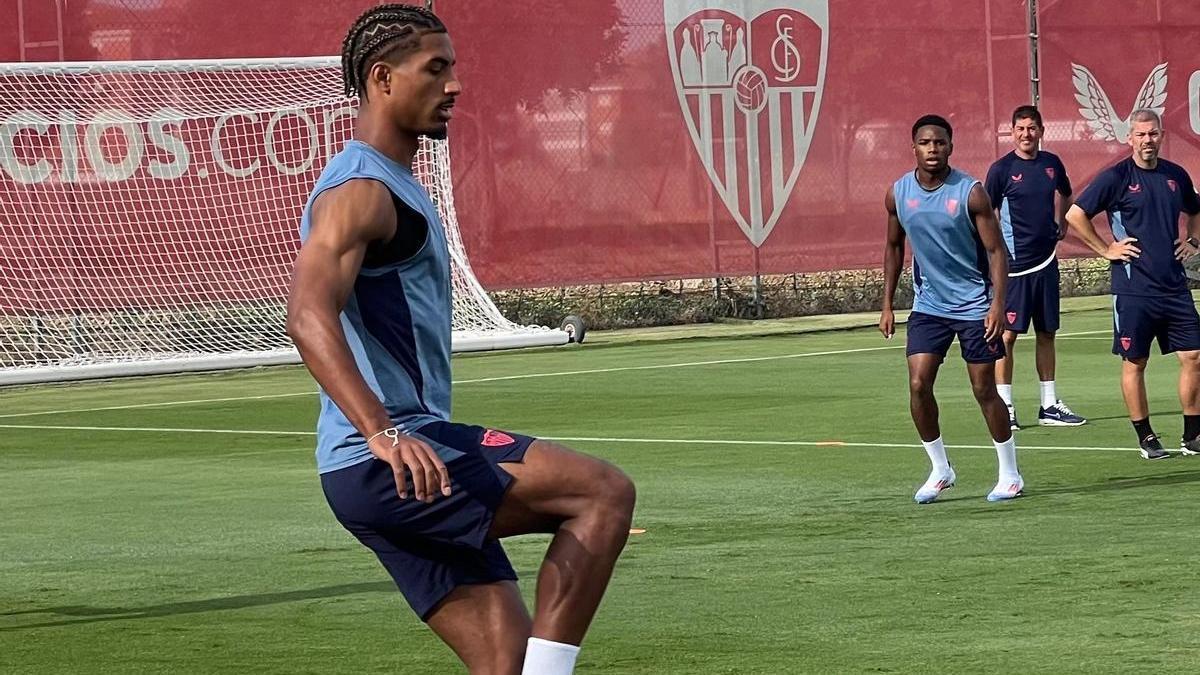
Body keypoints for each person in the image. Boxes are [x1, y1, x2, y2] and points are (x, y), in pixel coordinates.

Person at [285, 6, 636, 673]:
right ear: (383, 79)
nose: (455, 86)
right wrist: (382, 432)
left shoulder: (392, 182)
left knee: (504, 655)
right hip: (387, 458)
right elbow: (306, 316)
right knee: (602, 493)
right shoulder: (360, 190)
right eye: (436, 69)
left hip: (377, 466)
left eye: (455, 69)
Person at [880, 114, 1024, 504]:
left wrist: (997, 305)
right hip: (929, 307)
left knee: (983, 389)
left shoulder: (971, 193)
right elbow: (894, 247)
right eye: (925, 143)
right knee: (917, 384)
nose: (933, 149)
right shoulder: (898, 194)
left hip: (976, 306)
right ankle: (940, 469)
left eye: (940, 143)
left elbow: (997, 251)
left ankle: (1010, 474)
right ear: (914, 147)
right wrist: (888, 303)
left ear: (950, 147)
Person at [1065, 109, 1200, 460]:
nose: (1147, 141)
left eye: (1153, 134)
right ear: (1130, 138)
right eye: (1140, 135)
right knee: (1135, 361)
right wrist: (1105, 249)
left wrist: (1194, 241)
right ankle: (1147, 437)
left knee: (1194, 356)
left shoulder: (1175, 175)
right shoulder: (1116, 177)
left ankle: (1192, 435)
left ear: (1161, 135)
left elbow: (1196, 210)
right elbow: (1075, 215)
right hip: (1133, 289)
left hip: (1174, 286)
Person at [985, 105, 1086, 429]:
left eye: (1032, 128)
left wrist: (1062, 225)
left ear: (1041, 131)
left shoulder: (1051, 164)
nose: (1026, 134)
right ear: (1012, 132)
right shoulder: (1002, 170)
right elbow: (986, 213)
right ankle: (1006, 406)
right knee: (1008, 336)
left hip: (1046, 264)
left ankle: (1049, 405)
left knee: (1047, 333)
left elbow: (1067, 195)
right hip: (1015, 269)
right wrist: (998, 250)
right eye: (1020, 129)